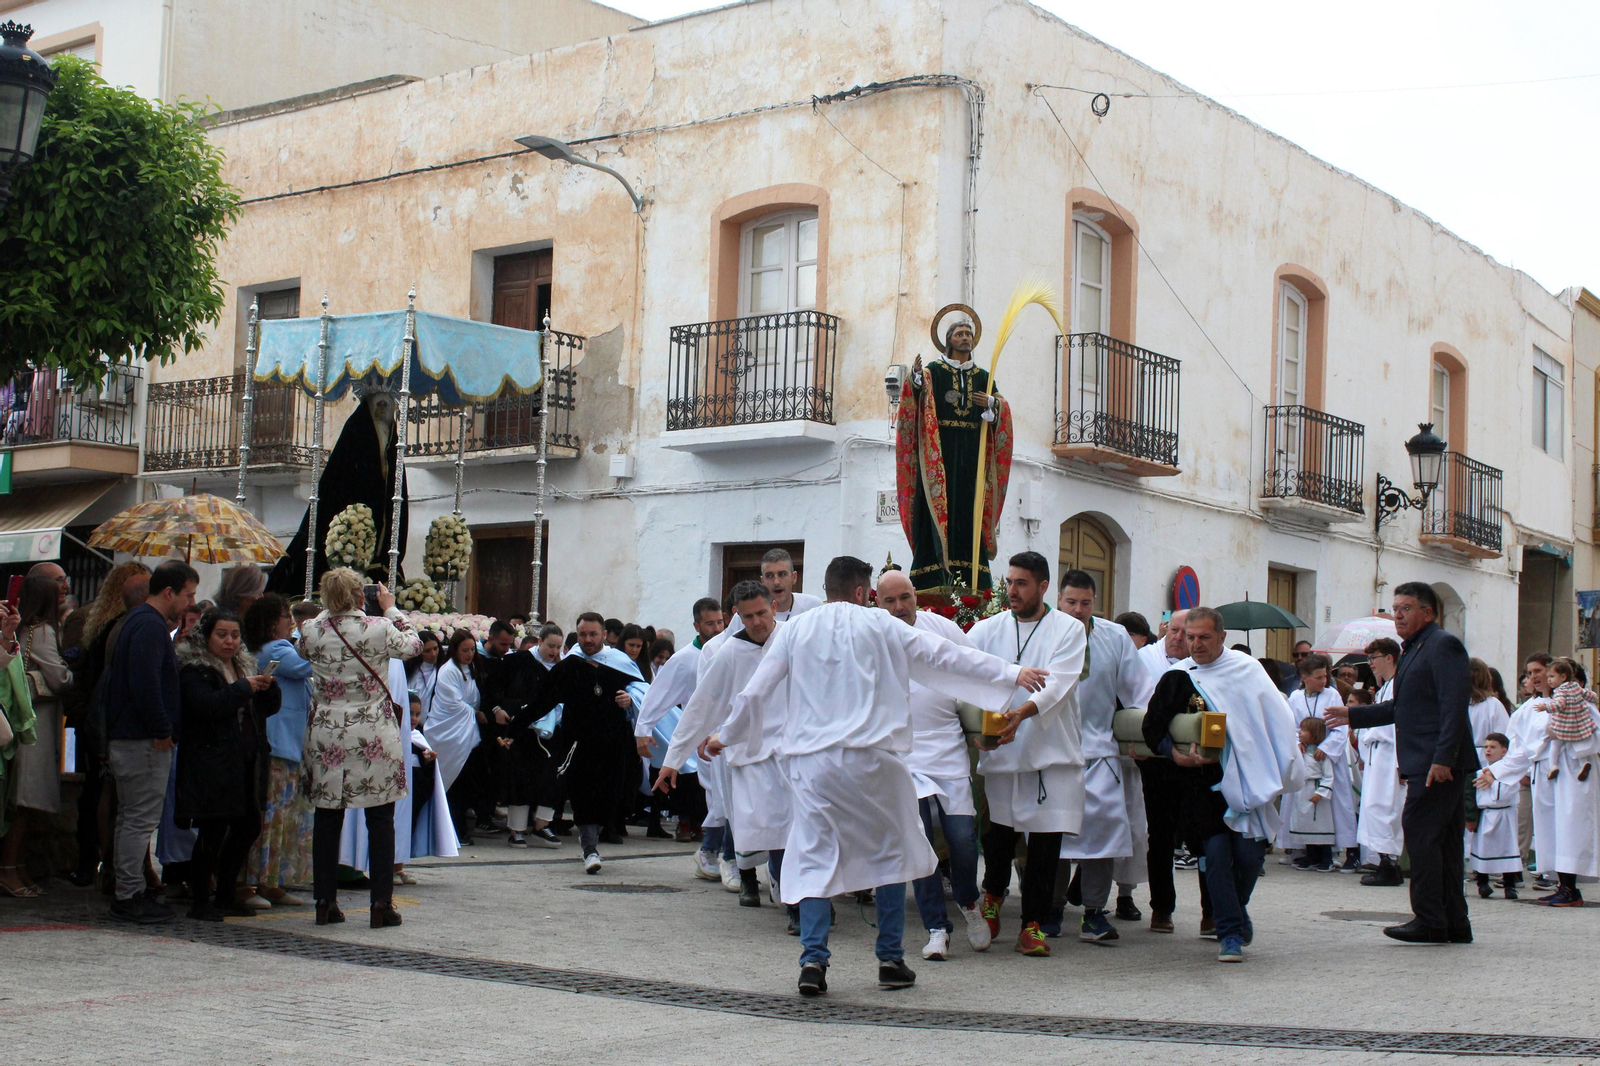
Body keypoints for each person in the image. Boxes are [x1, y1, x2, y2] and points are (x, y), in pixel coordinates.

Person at [728, 556, 1046, 996]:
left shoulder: (794, 630)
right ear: (863, 593)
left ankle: (813, 961)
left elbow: (756, 689)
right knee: (894, 852)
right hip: (873, 760)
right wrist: (1013, 673)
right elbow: (946, 655)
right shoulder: (882, 624)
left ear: (828, 588)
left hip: (813, 765)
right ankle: (890, 959)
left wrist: (725, 736)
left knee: (817, 856)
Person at [1143, 606, 1301, 963]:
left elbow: (1273, 721)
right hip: (1200, 787)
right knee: (1214, 856)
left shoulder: (1248, 672)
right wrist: (1175, 754)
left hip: (1247, 779)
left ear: (1222, 638)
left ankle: (1236, 911)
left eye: (1204, 638)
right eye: (1190, 637)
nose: (1195, 644)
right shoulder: (1177, 677)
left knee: (1247, 858)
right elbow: (1152, 728)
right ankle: (1229, 933)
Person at [1325, 582, 1477, 943]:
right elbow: (1402, 707)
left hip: (1436, 762)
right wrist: (1353, 716)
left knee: (1423, 839)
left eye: (1406, 608)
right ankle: (1453, 922)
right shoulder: (1414, 650)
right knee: (1443, 843)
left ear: (1428, 612)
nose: (1398, 614)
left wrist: (1444, 758)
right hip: (1426, 759)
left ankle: (1429, 919)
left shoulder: (1442, 645)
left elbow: (1454, 706)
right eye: (1395, 608)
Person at [967, 552, 1088, 958]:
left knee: (1045, 845)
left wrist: (1021, 713)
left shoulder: (1069, 629)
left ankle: (1032, 925)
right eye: (1010, 581)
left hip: (1050, 752)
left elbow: (1059, 684)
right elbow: (965, 672)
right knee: (999, 835)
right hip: (1003, 748)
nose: (1012, 590)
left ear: (1042, 587)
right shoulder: (986, 629)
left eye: (1021, 583)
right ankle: (994, 896)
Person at [875, 569, 992, 959]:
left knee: (961, 839)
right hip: (902, 754)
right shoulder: (871, 638)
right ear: (877, 602)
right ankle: (936, 928)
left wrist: (983, 720)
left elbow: (974, 668)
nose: (899, 607)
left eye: (905, 597)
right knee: (919, 839)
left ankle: (968, 901)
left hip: (946, 746)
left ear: (915, 595)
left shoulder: (941, 627)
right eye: (889, 601)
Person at [298, 569, 420, 928]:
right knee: (379, 818)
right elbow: (413, 644)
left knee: (327, 816)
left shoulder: (312, 631)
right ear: (359, 595)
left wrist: (328, 610)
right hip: (371, 732)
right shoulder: (378, 627)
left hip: (327, 731)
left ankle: (324, 900)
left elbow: (304, 646)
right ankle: (381, 904)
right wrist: (392, 609)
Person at [659, 581, 790, 909]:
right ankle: (752, 878)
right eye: (748, 617)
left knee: (794, 829)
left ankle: (795, 898)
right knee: (756, 826)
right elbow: (702, 705)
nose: (757, 622)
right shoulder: (729, 651)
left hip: (791, 752)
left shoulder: (794, 637)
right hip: (748, 756)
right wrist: (673, 759)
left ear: (774, 607)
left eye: (761, 612)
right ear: (738, 617)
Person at [1050, 570, 1149, 943]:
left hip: (1100, 749)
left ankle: (1093, 913)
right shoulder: (1043, 634)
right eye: (1071, 602)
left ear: (1096, 603)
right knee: (1053, 838)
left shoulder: (1114, 636)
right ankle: (1052, 909)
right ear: (1059, 600)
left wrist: (1143, 733)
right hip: (1054, 751)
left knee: (1103, 837)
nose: (1078, 610)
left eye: (1086, 603)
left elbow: (1138, 690)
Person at [103, 561, 198, 923]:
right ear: (168, 592)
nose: (191, 603)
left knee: (132, 819)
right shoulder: (148, 626)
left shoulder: (144, 623)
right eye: (188, 595)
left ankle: (129, 889)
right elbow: (145, 684)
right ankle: (129, 894)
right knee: (138, 820)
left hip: (134, 736)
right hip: (141, 740)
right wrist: (162, 730)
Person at [174, 609, 280, 921]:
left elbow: (266, 709)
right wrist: (241, 689)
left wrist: (267, 687)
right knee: (213, 828)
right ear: (206, 637)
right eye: (222, 635)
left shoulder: (244, 665)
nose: (230, 641)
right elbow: (207, 706)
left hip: (246, 757)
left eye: (234, 635)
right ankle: (200, 901)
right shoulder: (196, 670)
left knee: (248, 826)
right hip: (211, 760)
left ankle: (225, 893)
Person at [896, 318, 1014, 597]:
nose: (965, 338)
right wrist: (913, 379)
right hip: (939, 455)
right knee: (934, 510)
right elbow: (913, 397)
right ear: (949, 340)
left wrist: (994, 405)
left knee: (969, 512)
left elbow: (1002, 414)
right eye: (960, 334)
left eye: (969, 334)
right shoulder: (933, 372)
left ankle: (973, 575)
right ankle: (932, 572)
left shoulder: (984, 377)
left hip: (973, 457)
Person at [527, 613, 648, 873]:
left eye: (593, 634)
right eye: (582, 635)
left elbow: (642, 689)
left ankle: (595, 834)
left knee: (609, 792)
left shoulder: (619, 661)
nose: (588, 639)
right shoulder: (571, 662)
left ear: (604, 634)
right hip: (578, 739)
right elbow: (550, 696)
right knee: (582, 790)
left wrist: (630, 699)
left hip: (613, 739)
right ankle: (589, 848)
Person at [1481, 661, 1599, 907]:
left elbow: (1595, 731)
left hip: (1572, 769)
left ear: (1557, 675)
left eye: (1539, 672)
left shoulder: (1578, 702)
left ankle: (1571, 888)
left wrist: (1570, 734)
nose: (1533, 677)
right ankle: (1562, 884)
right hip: (1545, 771)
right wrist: (1496, 771)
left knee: (1570, 826)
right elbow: (1519, 749)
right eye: (1529, 673)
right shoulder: (1529, 709)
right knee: (1550, 828)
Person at [66, 562, 152, 887]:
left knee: (99, 791)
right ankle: (111, 866)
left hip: (94, 715)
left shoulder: (95, 620)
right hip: (107, 717)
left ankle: (96, 863)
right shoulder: (125, 625)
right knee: (111, 795)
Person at [0, 574, 73, 897]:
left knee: (17, 800)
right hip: (34, 724)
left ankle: (15, 867)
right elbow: (59, 679)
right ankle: (10, 867)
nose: (65, 589)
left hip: (15, 722)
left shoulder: (19, 629)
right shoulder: (41, 631)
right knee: (23, 802)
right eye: (58, 585)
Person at [636, 599, 725, 857]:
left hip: (732, 736)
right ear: (696, 625)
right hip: (703, 741)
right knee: (716, 797)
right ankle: (713, 852)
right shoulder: (685, 659)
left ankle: (722, 853)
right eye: (710, 624)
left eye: (720, 622)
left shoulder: (733, 649)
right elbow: (657, 694)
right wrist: (643, 729)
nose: (717, 629)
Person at [242, 593, 314, 906]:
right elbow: (306, 667)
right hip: (280, 743)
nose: (291, 623)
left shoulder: (269, 647)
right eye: (287, 617)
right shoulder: (278, 648)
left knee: (279, 815)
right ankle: (261, 879)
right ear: (273, 623)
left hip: (284, 743)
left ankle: (270, 879)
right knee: (273, 814)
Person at [1283, 654, 1357, 872]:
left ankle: (1335, 851)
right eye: (1318, 678)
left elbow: (1340, 726)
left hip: (1326, 757)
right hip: (1305, 759)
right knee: (1302, 804)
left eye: (1325, 677)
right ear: (1305, 678)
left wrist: (1326, 747)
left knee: (1334, 806)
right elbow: (1292, 726)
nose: (1323, 681)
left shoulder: (1332, 695)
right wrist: (1298, 742)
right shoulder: (1295, 697)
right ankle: (1307, 851)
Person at [426, 630, 484, 844]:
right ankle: (453, 829)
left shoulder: (471, 668)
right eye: (464, 650)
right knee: (454, 783)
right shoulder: (448, 670)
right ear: (455, 650)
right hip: (448, 732)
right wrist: (476, 713)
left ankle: (459, 826)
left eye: (472, 650)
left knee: (466, 783)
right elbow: (453, 703)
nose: (469, 654)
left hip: (465, 732)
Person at [1356, 638, 1405, 887]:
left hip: (1390, 757)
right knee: (1374, 808)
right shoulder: (1385, 687)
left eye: (1374, 658)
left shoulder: (1398, 686)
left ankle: (1389, 865)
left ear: (1389, 658)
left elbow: (1399, 727)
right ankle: (1383, 860)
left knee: (1386, 809)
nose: (1370, 664)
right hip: (1377, 756)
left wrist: (1401, 764)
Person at [1466, 733, 1521, 899]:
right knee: (1482, 848)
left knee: (1507, 848)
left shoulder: (1510, 772)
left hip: (1505, 814)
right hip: (1486, 814)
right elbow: (1469, 796)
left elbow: (1507, 793)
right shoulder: (1478, 772)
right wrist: (1470, 817)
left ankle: (1510, 885)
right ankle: (1482, 883)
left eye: (1493, 747)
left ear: (1504, 751)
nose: (1488, 750)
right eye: (1487, 747)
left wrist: (1492, 781)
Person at [1287, 716, 1337, 869]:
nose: (1300, 733)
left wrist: (1321, 792)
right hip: (1302, 790)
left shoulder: (1320, 755)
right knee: (1306, 824)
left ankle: (1326, 859)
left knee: (1320, 825)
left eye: (1304, 730)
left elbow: (1328, 775)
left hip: (1315, 790)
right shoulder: (1301, 751)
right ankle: (1311, 856)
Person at [1540, 658, 1596, 782]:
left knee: (1555, 745)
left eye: (1552, 676)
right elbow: (1588, 694)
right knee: (1578, 745)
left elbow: (1559, 705)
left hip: (1563, 728)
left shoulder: (1559, 692)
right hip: (1578, 728)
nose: (1549, 680)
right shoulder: (1576, 689)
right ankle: (1584, 763)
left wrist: (1546, 708)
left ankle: (1553, 766)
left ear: (1563, 676)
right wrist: (1594, 697)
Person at [1467, 658, 1512, 770]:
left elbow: (1503, 738)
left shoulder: (1455, 704)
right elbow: (1504, 737)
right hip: (1485, 763)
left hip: (1481, 763)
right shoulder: (1493, 705)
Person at [760, 548, 823, 620]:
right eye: (769, 576)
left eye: (782, 574)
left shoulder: (813, 607)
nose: (776, 582)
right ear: (763, 582)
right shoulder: (753, 615)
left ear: (794, 577)